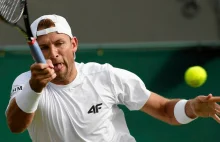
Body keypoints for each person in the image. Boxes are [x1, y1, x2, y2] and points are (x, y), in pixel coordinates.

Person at [5, 14, 220, 142]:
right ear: (35, 53)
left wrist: (192, 108)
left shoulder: (105, 76)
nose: (53, 53)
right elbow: (15, 126)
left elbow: (165, 109)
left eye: (59, 43)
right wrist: (35, 87)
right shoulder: (26, 83)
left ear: (73, 45)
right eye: (44, 47)